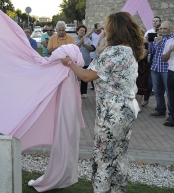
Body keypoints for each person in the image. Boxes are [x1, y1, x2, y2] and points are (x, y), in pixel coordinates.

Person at [61, 11, 143, 192]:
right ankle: (118, 189)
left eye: (107, 28)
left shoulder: (113, 52)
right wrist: (99, 50)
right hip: (127, 110)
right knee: (119, 154)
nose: (104, 31)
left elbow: (86, 75)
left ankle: (101, 189)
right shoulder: (129, 50)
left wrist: (68, 62)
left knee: (103, 155)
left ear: (115, 30)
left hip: (111, 113)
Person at [148, 21, 173, 119]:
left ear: (170, 29)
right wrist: (150, 42)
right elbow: (151, 52)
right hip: (155, 67)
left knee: (169, 92)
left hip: (166, 68)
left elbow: (166, 52)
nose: (162, 30)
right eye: (161, 29)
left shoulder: (171, 39)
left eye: (164, 28)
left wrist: (160, 43)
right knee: (157, 91)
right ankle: (160, 110)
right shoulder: (158, 38)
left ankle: (171, 114)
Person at [142, 16, 162, 106]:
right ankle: (146, 99)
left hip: (162, 61)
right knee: (149, 81)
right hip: (151, 58)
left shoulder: (164, 35)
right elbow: (145, 44)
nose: (155, 22)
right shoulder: (149, 32)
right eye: (153, 21)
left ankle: (160, 106)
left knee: (161, 85)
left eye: (157, 21)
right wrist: (146, 42)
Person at [73, 25, 95, 98]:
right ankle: (74, 92)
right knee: (74, 77)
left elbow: (92, 49)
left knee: (84, 77)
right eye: (81, 30)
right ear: (77, 31)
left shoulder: (87, 40)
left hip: (86, 62)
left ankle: (83, 92)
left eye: (84, 31)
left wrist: (84, 44)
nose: (82, 32)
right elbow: (73, 49)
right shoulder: (73, 39)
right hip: (76, 63)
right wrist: (79, 44)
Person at [86, 22, 104, 90]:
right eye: (98, 25)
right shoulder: (92, 34)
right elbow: (86, 38)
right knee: (92, 69)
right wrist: (91, 31)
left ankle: (100, 84)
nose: (100, 26)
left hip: (100, 53)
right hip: (92, 54)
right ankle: (93, 85)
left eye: (100, 25)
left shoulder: (103, 33)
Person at [162, 30, 174, 127]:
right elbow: (164, 58)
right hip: (171, 71)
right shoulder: (169, 41)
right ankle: (172, 118)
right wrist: (170, 51)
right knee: (171, 95)